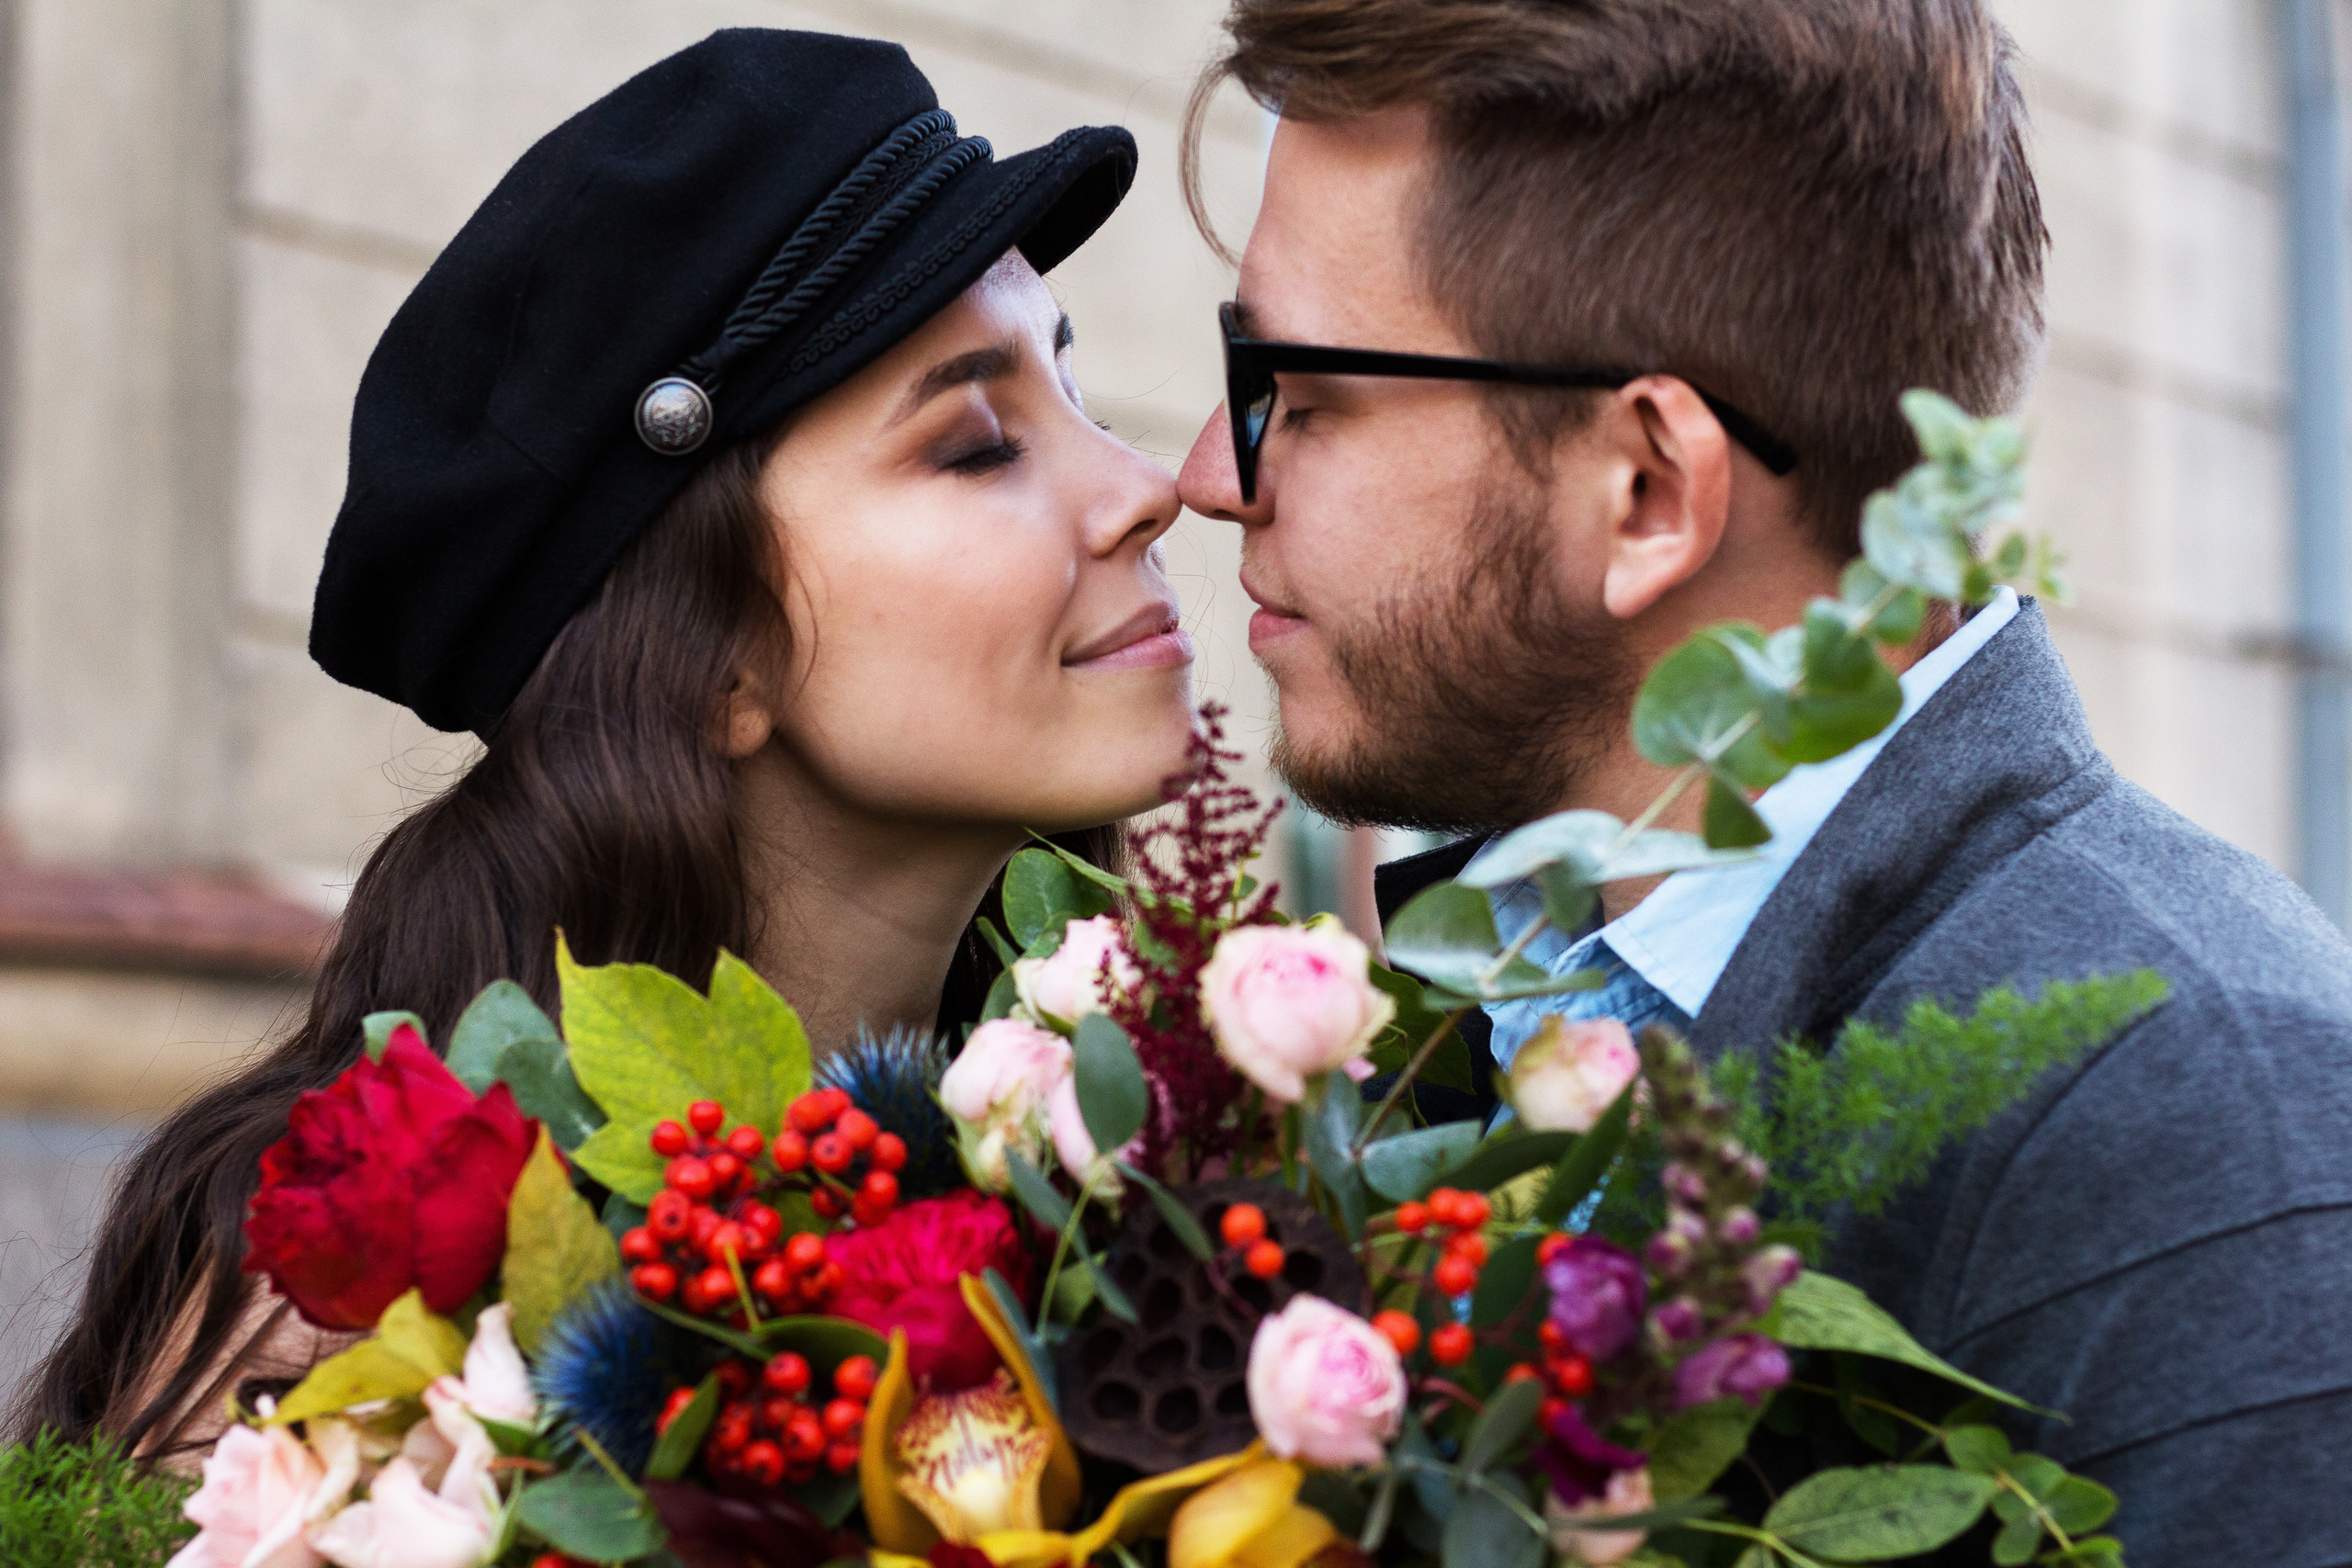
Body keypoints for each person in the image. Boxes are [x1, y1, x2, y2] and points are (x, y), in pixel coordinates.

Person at [1173, 2, 2352, 1563]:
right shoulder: (1472, 1015)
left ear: (1651, 491)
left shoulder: (2208, 1146)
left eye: (1294, 389)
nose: (1207, 470)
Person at [14, 28, 1193, 1467]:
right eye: (975, 445)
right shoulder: (365, 1326)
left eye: (1080, 398)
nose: (1146, 489)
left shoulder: (1158, 1166)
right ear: (716, 662)